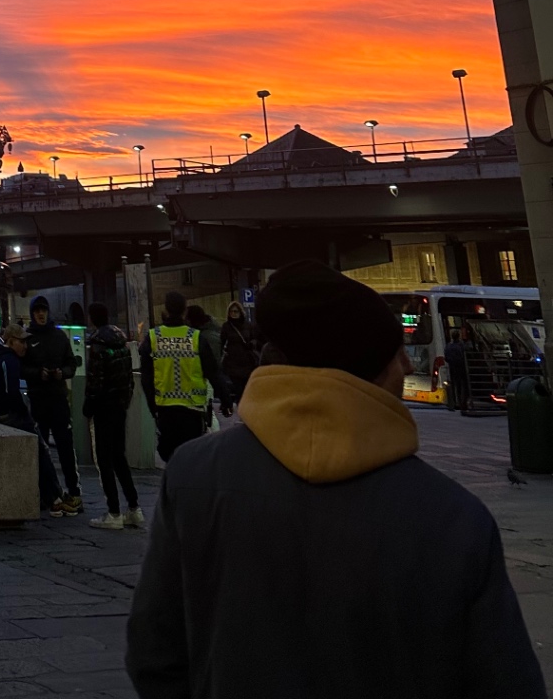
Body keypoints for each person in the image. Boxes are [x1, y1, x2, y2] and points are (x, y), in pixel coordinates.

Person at [126, 260, 545, 699]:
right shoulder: (454, 517)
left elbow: (154, 654)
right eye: (395, 353)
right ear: (368, 366)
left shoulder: (192, 475)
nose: (406, 364)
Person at [0, 323, 64, 513]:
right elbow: (12, 392)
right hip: (12, 417)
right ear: (11, 342)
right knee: (41, 452)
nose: (25, 346)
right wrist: (24, 414)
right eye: (22, 342)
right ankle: (54, 497)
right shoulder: (10, 360)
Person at [139, 290, 225, 464]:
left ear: (166, 310)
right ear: (184, 311)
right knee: (192, 457)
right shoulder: (195, 337)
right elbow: (212, 371)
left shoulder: (154, 337)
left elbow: (146, 377)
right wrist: (225, 399)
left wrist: (152, 405)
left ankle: (173, 481)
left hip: (165, 409)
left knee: (169, 456)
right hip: (192, 410)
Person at [84, 303, 142, 531]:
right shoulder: (121, 341)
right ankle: (134, 507)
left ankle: (114, 511)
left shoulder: (97, 344)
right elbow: (128, 377)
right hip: (119, 406)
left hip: (104, 407)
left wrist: (88, 406)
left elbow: (95, 380)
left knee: (104, 459)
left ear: (92, 318)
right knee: (119, 457)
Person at [24, 295, 82, 513]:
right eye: (37, 311)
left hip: (57, 398)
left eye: (43, 310)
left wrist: (61, 373)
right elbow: (22, 367)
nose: (41, 314)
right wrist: (38, 374)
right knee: (40, 450)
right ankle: (45, 493)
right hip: (39, 398)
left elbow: (71, 364)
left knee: (65, 447)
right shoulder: (28, 338)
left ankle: (73, 491)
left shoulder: (59, 336)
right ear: (33, 314)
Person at [219, 299, 259, 404]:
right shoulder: (226, 326)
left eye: (235, 311)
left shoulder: (248, 325)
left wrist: (252, 344)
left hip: (247, 362)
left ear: (240, 312)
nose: (233, 314)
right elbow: (222, 342)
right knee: (238, 390)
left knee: (247, 389)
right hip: (233, 363)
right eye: (231, 311)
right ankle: (241, 408)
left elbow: (255, 338)